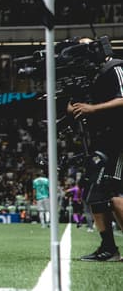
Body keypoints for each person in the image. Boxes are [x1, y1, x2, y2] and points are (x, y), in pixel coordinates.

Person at [68, 36, 123, 262]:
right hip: (103, 142)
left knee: (114, 193)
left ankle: (109, 249)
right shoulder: (91, 76)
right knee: (95, 194)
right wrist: (73, 106)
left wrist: (92, 108)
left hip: (119, 141)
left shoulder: (116, 67)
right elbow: (73, 105)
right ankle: (108, 248)